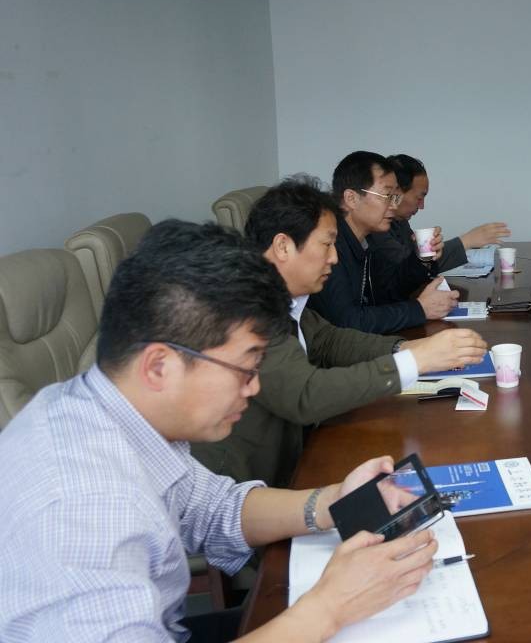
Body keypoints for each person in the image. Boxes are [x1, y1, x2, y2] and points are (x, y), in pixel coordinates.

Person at [0, 219, 437, 642]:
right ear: (159, 366)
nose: (255, 387)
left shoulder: (106, 411)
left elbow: (216, 509)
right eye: (245, 367)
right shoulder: (80, 512)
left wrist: (334, 500)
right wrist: (330, 607)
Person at [192, 177, 488, 486]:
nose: (334, 257)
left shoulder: (284, 296)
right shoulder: (246, 308)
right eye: (326, 244)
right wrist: (415, 361)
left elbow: (328, 340)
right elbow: (305, 394)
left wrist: (408, 349)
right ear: (283, 246)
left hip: (291, 460)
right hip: (244, 488)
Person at [307, 151, 459, 334]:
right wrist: (420, 309)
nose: (394, 205)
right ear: (351, 198)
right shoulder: (329, 247)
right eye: (387, 196)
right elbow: (348, 321)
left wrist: (421, 258)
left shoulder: (368, 239)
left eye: (396, 197)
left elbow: (390, 292)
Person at [375, 154, 510, 294]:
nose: (422, 206)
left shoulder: (400, 222)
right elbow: (404, 269)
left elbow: (413, 267)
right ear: (396, 191)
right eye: (419, 198)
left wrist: (428, 250)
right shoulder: (377, 229)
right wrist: (466, 241)